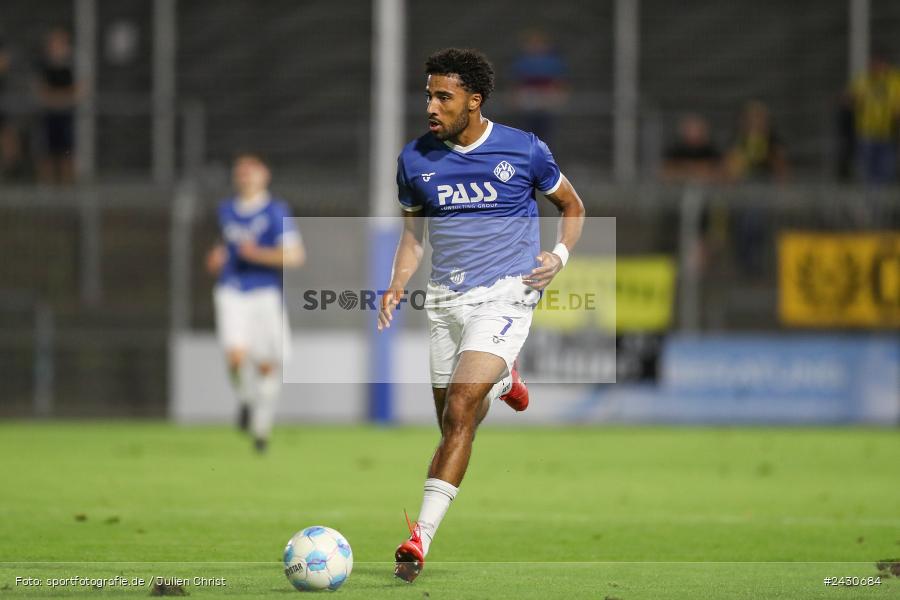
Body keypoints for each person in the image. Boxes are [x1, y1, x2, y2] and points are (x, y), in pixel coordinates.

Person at [378, 48, 585, 582]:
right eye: (428, 95)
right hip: (445, 299)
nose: (431, 106)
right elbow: (412, 236)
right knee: (454, 421)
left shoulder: (524, 149)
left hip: (507, 292)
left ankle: (419, 539)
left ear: (474, 100)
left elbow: (572, 206)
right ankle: (505, 379)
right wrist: (398, 282)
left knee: (462, 406)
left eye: (443, 96)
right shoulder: (415, 159)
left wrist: (558, 256)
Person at [205, 153, 305, 453]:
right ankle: (247, 401)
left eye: (251, 170)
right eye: (241, 171)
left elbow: (295, 256)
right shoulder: (225, 210)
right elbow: (222, 246)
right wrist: (216, 257)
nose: (245, 176)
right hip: (232, 290)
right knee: (235, 358)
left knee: (266, 365)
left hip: (265, 293)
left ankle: (261, 430)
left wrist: (257, 254)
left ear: (265, 175)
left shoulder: (275, 211)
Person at [33, 27, 80, 184]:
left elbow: (80, 89)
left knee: (67, 153)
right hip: (48, 114)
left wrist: (61, 99)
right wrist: (56, 99)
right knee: (46, 153)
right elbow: (40, 90)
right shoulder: (42, 64)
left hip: (67, 114)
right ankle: (46, 188)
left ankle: (67, 187)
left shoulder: (72, 64)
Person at [846, 48, 900, 184]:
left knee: (886, 169)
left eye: (879, 63)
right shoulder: (863, 79)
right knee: (867, 169)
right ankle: (869, 194)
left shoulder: (895, 80)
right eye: (873, 64)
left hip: (888, 132)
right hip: (866, 131)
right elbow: (851, 99)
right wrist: (852, 100)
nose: (876, 67)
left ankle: (882, 194)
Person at [509, 30, 568, 147]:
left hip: (547, 97)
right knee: (527, 129)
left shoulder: (552, 61)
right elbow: (516, 82)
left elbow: (560, 81)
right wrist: (514, 97)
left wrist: (560, 96)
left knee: (546, 130)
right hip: (528, 98)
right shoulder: (522, 61)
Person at [661, 114, 722, 183]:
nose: (694, 134)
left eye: (697, 130)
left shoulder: (711, 151)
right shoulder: (675, 151)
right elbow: (665, 172)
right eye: (690, 130)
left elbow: (721, 173)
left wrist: (687, 169)